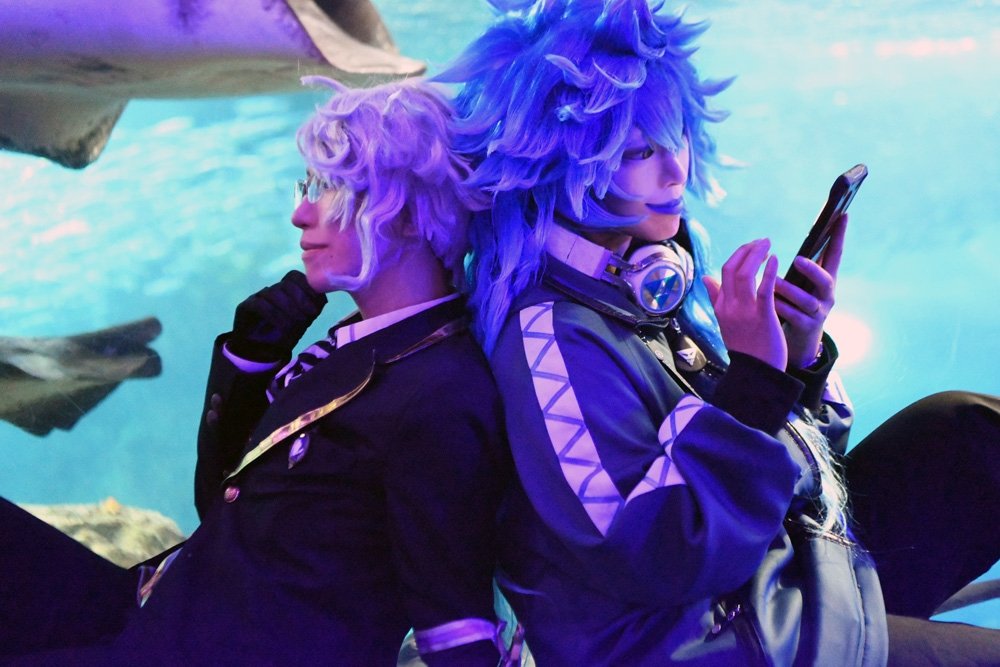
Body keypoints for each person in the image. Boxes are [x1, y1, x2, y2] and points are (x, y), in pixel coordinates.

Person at [434, 0, 1000, 665]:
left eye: (675, 135)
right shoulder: (549, 340)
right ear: (556, 164)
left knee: (968, 433)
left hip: (765, 580)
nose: (675, 169)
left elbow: (788, 477)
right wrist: (753, 386)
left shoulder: (647, 276)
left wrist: (795, 360)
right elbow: (657, 554)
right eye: (638, 151)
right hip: (706, 641)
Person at [0, 77, 511, 665]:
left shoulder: (440, 391)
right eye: (308, 185)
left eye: (329, 187)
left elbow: (456, 625)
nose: (300, 213)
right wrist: (249, 363)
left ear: (408, 214)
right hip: (151, 612)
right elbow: (220, 507)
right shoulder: (359, 349)